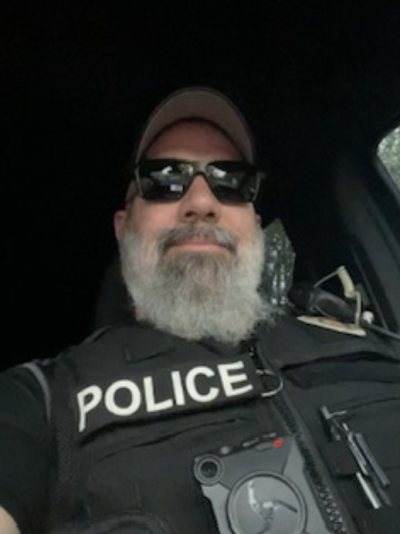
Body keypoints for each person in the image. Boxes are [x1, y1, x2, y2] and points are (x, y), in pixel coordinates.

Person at [0, 86, 399, 534]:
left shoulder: (369, 342)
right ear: (123, 227)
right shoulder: (42, 399)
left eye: (230, 180)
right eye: (165, 178)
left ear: (253, 224)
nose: (202, 203)